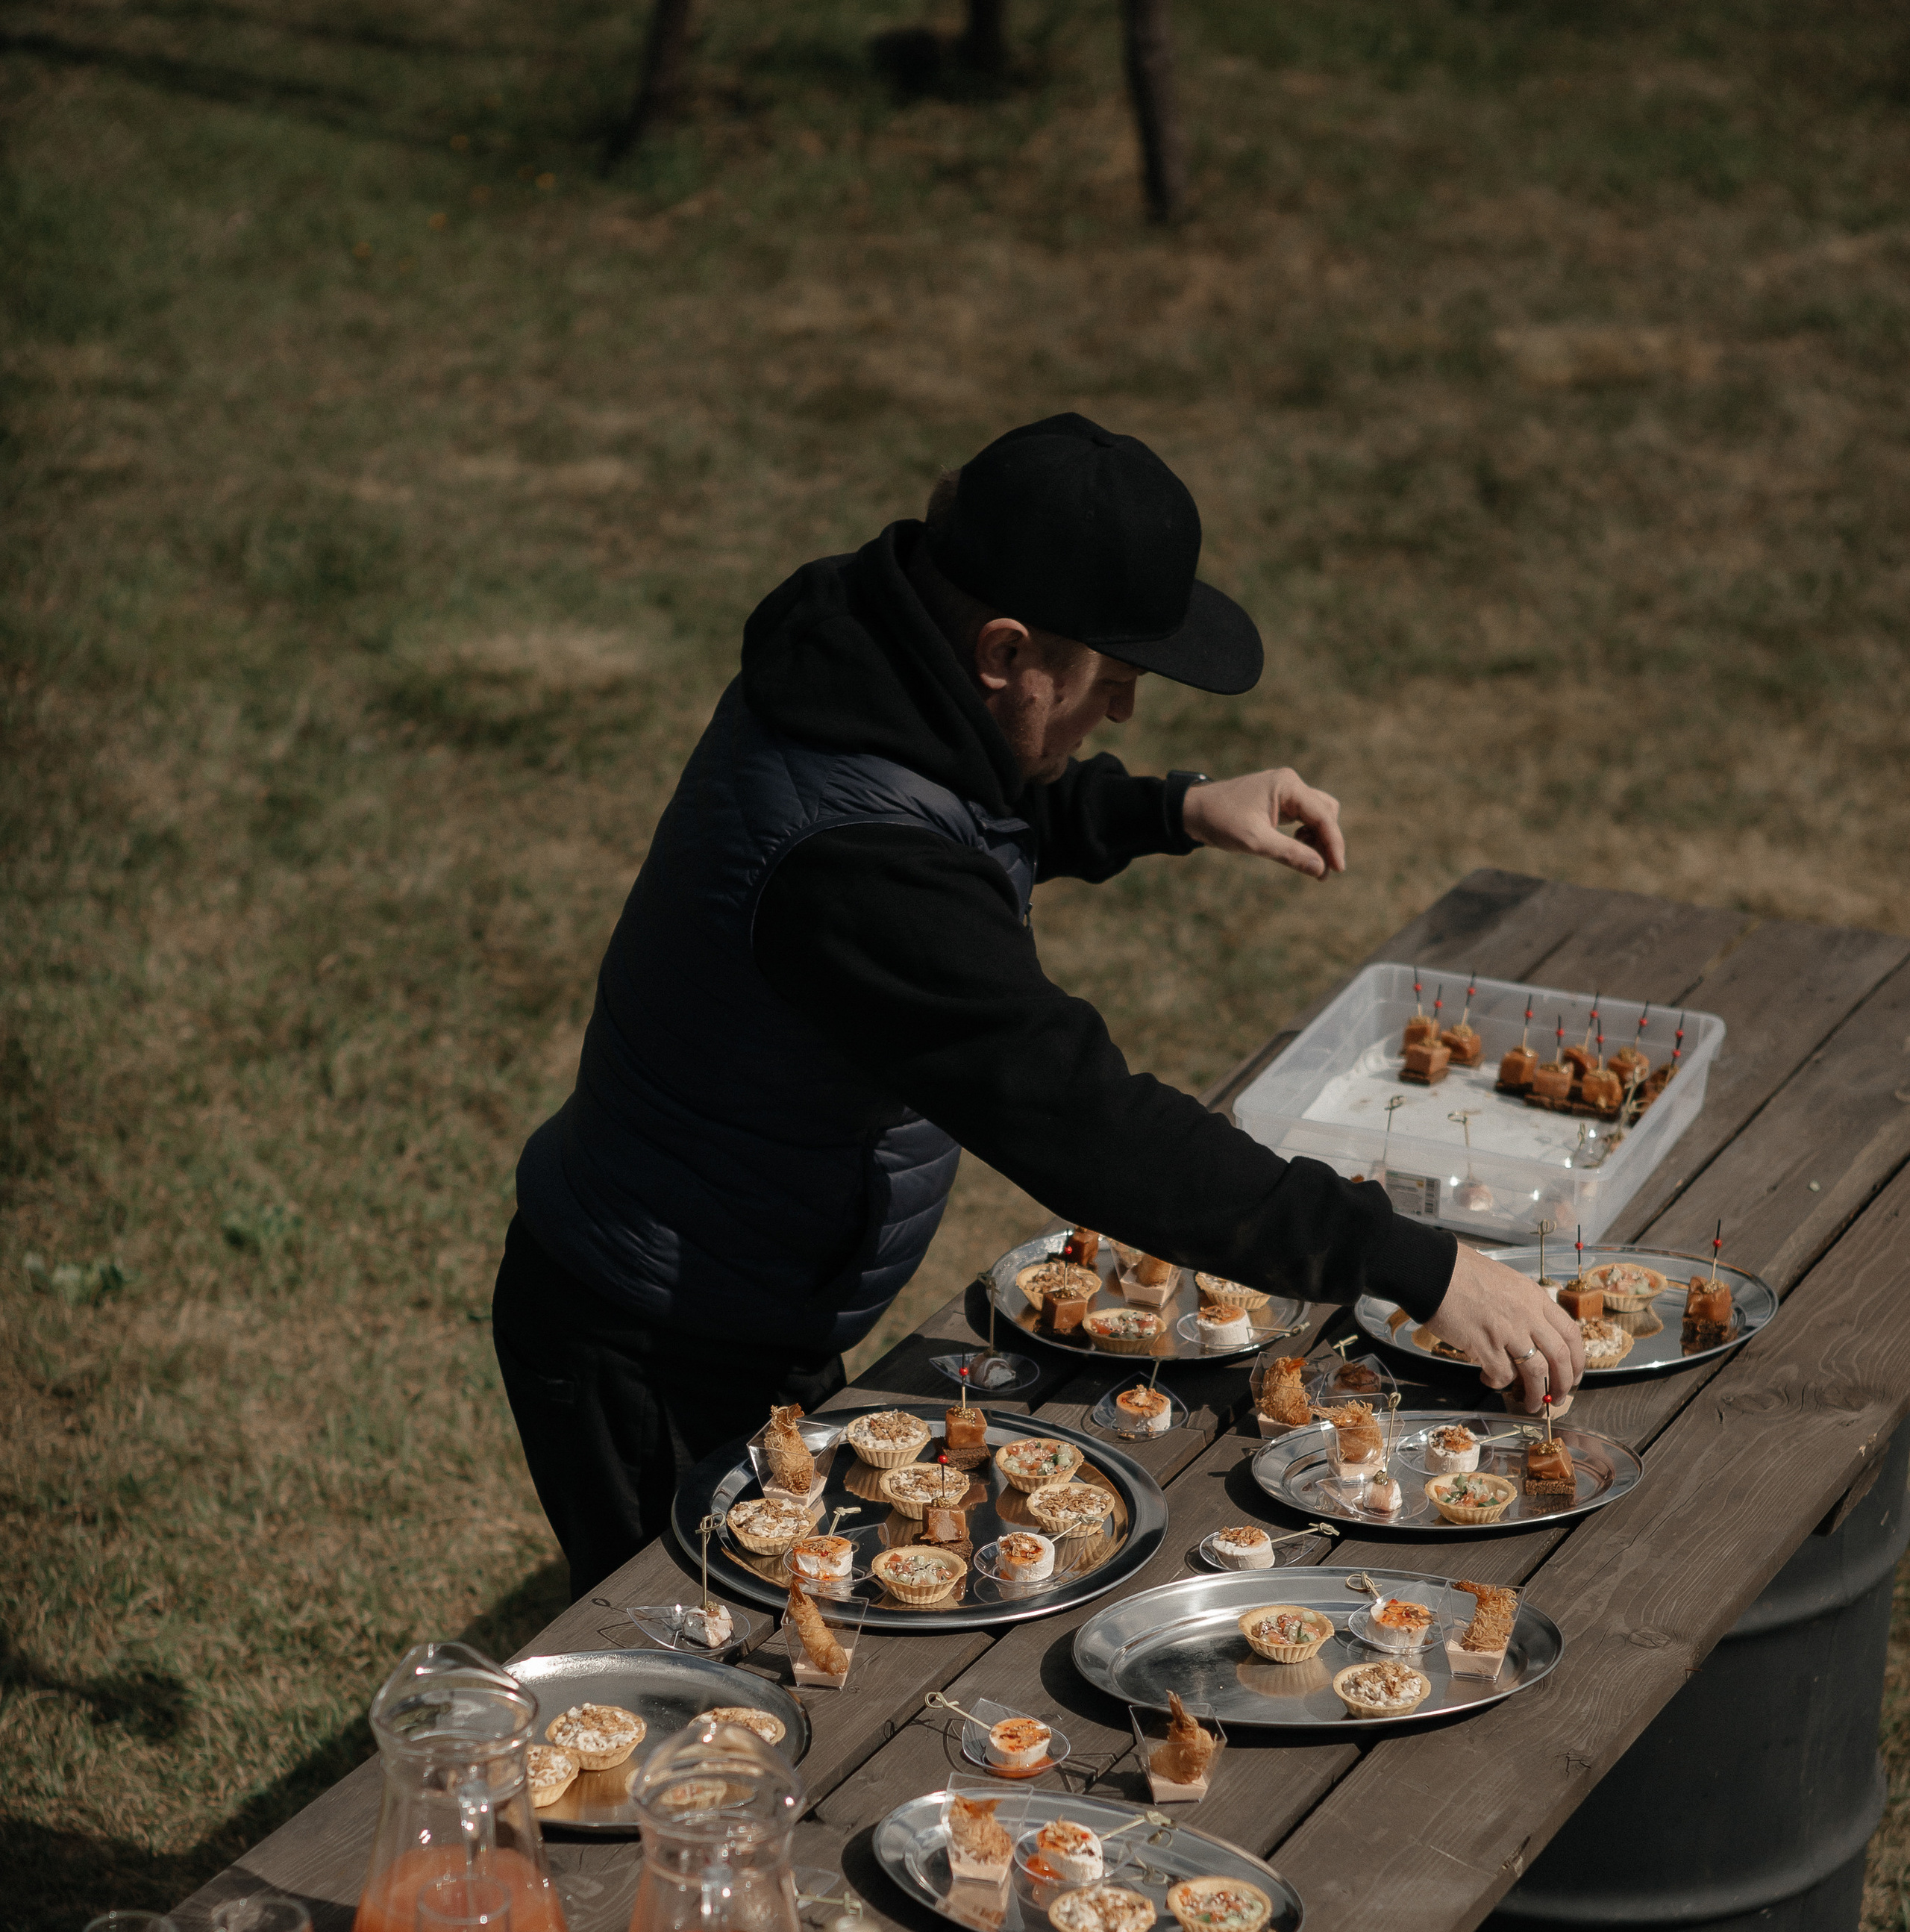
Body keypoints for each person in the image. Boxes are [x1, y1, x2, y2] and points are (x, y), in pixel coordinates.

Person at [493, 412, 1580, 1595]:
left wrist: (1167, 808)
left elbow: (978, 799)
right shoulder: (853, 862)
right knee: (705, 1668)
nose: (1120, 714)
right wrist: (1418, 1266)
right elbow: (1083, 1121)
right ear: (1006, 652)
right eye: (1109, 682)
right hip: (648, 1343)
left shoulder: (868, 666)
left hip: (733, 1302)